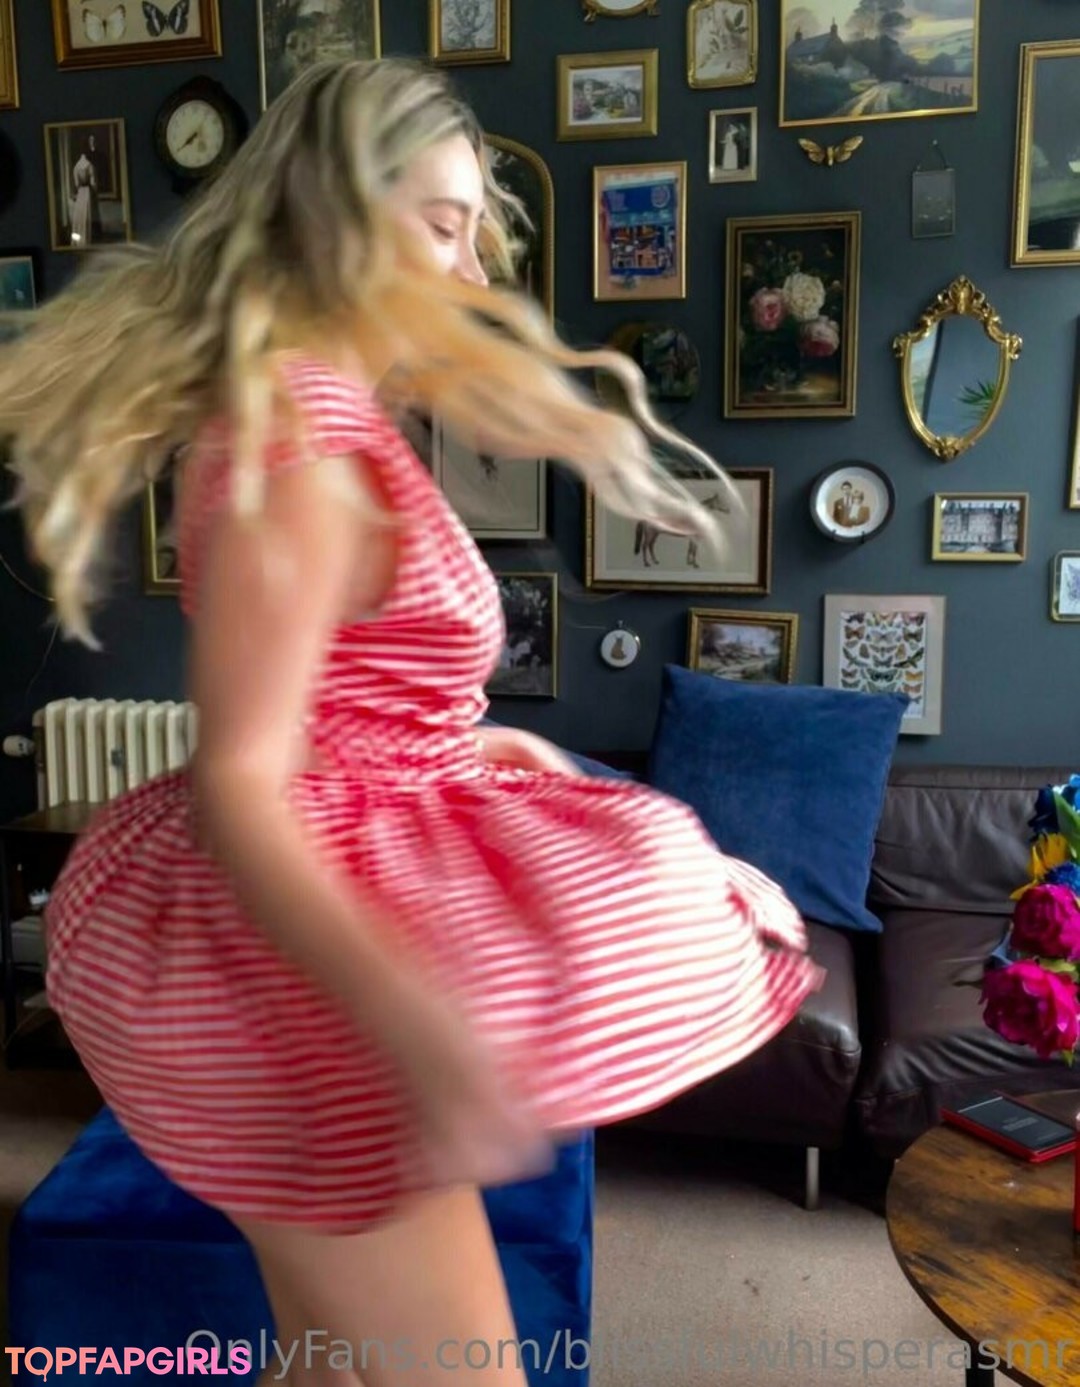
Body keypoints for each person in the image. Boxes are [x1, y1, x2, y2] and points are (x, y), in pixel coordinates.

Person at [0, 59, 823, 1387]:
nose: (471, 264)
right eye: (442, 225)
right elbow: (244, 782)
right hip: (307, 990)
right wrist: (415, 1024)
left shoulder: (321, 421)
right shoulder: (303, 447)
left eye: (474, 230)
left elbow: (340, 701)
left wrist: (475, 745)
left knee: (326, 1365)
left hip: (299, 954)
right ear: (333, 215)